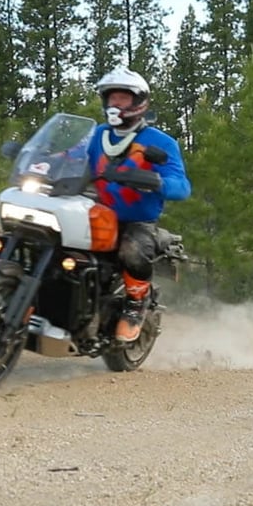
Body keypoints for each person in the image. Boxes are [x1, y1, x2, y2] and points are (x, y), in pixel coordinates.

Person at [86, 67, 191, 342]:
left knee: (132, 250)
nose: (115, 104)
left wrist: (155, 181)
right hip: (96, 213)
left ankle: (136, 301)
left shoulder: (160, 142)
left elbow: (182, 186)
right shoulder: (97, 135)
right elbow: (71, 157)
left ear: (138, 102)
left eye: (122, 98)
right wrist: (42, 162)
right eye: (111, 98)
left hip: (137, 221)